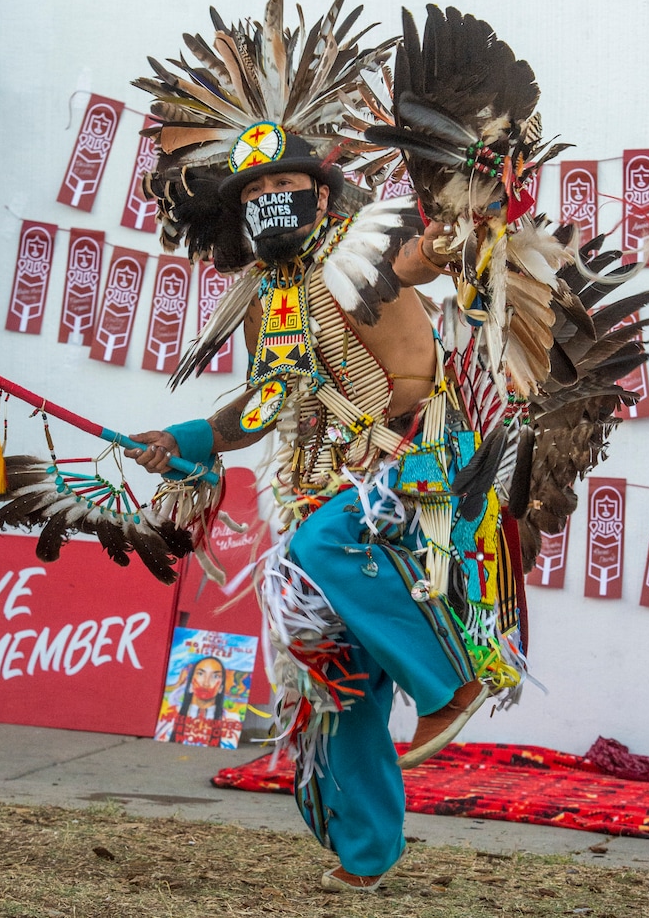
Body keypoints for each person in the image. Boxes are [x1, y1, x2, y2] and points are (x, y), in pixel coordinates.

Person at [125, 130, 498, 891]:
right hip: (322, 489)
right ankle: (367, 854)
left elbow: (419, 256)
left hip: (412, 471)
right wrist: (189, 437)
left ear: (323, 192)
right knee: (336, 672)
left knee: (313, 552)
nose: (268, 201)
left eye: (282, 186)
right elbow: (269, 398)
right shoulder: (273, 291)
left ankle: (450, 683)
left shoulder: (363, 249)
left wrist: (447, 239)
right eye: (253, 194)